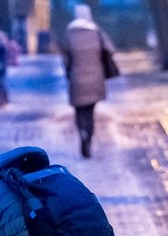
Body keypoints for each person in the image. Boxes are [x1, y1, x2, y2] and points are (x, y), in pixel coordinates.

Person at [61, 4, 117, 158]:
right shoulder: (96, 32)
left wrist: (69, 72)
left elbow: (65, 58)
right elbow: (110, 49)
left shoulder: (70, 34)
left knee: (79, 112)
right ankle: (89, 141)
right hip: (95, 79)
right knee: (90, 112)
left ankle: (83, 135)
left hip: (76, 80)